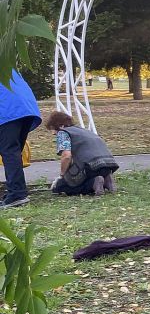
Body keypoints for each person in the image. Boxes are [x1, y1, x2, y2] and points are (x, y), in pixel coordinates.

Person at [44, 110, 118, 196]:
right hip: (109, 164)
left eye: (53, 129)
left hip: (91, 166)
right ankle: (107, 179)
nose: (53, 133)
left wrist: (62, 175)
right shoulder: (83, 130)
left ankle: (94, 183)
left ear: (60, 126)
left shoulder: (63, 133)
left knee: (60, 187)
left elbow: (66, 156)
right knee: (94, 174)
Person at [0, 69, 42, 209]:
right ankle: (17, 192)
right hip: (25, 107)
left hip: (8, 109)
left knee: (9, 152)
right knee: (12, 153)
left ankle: (17, 194)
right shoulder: (5, 61)